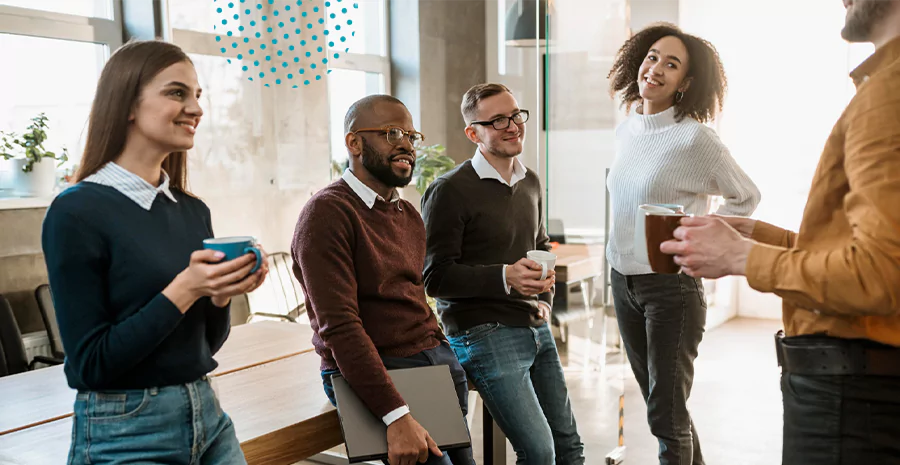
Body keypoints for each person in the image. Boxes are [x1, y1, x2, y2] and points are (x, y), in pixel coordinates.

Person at [659, 1, 900, 463]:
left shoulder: (887, 95)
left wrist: (740, 257)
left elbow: (881, 274)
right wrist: (758, 237)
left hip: (852, 401)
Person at [41, 40, 269, 465]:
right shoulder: (75, 212)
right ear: (127, 103)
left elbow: (203, 347)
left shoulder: (192, 210)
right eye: (177, 92)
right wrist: (184, 288)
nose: (196, 109)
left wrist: (219, 294)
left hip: (207, 413)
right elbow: (92, 364)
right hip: (125, 428)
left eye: (198, 96)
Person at [605, 23, 760, 465]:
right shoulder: (628, 129)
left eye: (671, 64)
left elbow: (746, 195)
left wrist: (699, 231)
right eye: (652, 56)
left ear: (685, 83)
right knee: (665, 410)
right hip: (624, 282)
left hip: (670, 288)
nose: (655, 68)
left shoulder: (695, 137)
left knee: (665, 415)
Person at [291, 95, 475, 465]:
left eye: (411, 134)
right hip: (385, 373)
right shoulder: (327, 213)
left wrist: (444, 355)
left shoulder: (407, 213)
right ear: (354, 143)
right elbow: (340, 327)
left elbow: (413, 298)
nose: (406, 144)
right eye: (392, 133)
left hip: (432, 365)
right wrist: (395, 414)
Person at [421, 83, 585, 465]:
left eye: (514, 115)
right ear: (473, 133)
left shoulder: (531, 181)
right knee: (541, 453)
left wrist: (544, 299)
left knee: (569, 448)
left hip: (534, 325)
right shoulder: (448, 190)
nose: (512, 125)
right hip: (483, 333)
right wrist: (505, 277)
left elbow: (541, 243)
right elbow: (435, 278)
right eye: (497, 120)